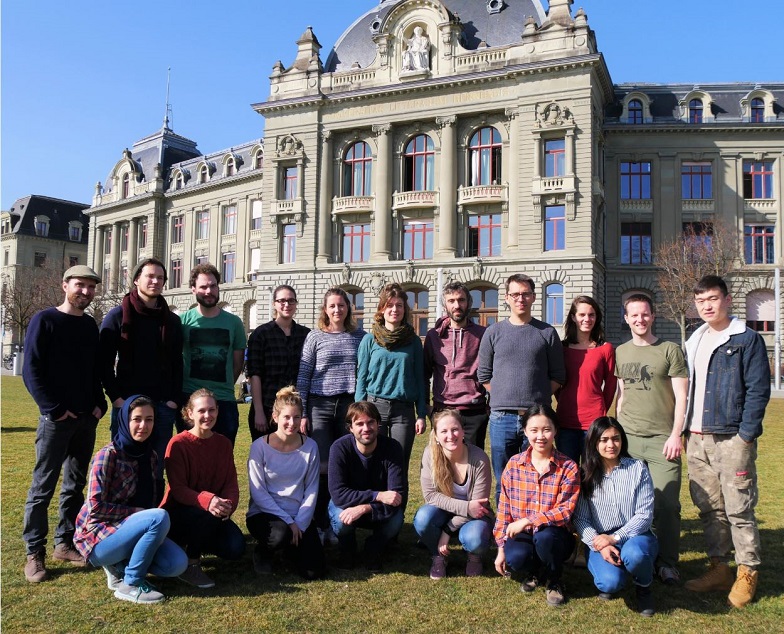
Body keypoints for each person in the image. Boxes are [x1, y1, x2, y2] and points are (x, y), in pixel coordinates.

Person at [683, 275, 771, 608]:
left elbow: (758, 390)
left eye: (713, 299)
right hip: (697, 438)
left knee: (739, 508)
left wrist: (746, 436)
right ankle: (719, 567)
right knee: (709, 508)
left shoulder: (746, 339)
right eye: (701, 300)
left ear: (727, 299)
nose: (707, 305)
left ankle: (747, 570)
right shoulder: (695, 339)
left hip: (732, 437)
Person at [22, 265, 109, 583]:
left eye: (90, 287)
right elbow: (31, 370)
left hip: (86, 420)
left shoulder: (89, 325)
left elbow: (94, 369)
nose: (85, 291)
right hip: (56, 421)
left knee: (74, 485)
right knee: (42, 488)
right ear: (65, 286)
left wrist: (99, 404)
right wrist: (54, 409)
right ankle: (35, 552)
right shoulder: (44, 320)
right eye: (79, 285)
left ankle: (65, 542)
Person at [73, 396, 188, 604]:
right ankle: (131, 583)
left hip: (132, 530)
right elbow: (95, 508)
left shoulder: (151, 456)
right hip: (98, 537)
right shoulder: (107, 455)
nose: (143, 426)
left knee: (177, 564)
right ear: (125, 421)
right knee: (157, 517)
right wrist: (137, 513)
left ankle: (121, 566)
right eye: (137, 419)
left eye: (149, 419)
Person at [615, 293, 688, 586]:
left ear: (653, 315)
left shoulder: (669, 350)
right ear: (626, 318)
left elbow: (682, 396)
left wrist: (676, 434)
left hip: (662, 440)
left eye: (644, 314)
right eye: (634, 315)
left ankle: (668, 563)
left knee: (667, 505)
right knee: (627, 504)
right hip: (629, 439)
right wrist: (617, 435)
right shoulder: (620, 351)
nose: (640, 319)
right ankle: (630, 555)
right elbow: (621, 395)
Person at [99, 257, 183, 500]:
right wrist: (116, 398)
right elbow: (103, 363)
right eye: (150, 276)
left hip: (162, 406)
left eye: (160, 278)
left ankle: (153, 518)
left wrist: (173, 400)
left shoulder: (171, 320)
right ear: (136, 280)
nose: (155, 281)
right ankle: (121, 519)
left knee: (156, 469)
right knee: (122, 466)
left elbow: (178, 363)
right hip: (127, 405)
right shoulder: (117, 316)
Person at [478, 274, 566, 504]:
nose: (521, 299)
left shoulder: (546, 332)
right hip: (501, 417)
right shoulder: (493, 332)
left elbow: (558, 375)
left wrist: (538, 399)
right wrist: (501, 395)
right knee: (504, 478)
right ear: (507, 297)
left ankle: (531, 526)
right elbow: (483, 374)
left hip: (536, 421)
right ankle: (504, 531)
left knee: (536, 476)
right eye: (515, 294)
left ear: (533, 297)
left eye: (525, 294)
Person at [296, 287, 365, 540]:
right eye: (332, 306)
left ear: (348, 308)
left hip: (348, 407)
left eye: (342, 305)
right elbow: (303, 376)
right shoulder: (315, 337)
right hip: (320, 406)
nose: (337, 310)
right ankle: (321, 521)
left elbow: (364, 373)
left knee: (345, 463)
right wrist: (303, 411)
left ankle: (340, 521)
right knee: (323, 467)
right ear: (325, 309)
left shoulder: (359, 336)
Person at [493, 404, 579, 607]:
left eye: (546, 429)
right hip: (525, 534)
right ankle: (535, 571)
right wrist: (500, 547)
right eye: (534, 430)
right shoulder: (514, 464)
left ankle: (554, 579)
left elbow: (565, 511)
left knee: (545, 538)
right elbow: (504, 508)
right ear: (525, 432)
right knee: (516, 559)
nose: (540, 436)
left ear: (555, 431)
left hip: (555, 535)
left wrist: (528, 520)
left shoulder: (568, 467)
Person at [574, 417, 657, 617]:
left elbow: (644, 515)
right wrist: (600, 544)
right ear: (594, 442)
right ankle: (617, 574)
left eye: (616, 439)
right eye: (604, 440)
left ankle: (643, 586)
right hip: (601, 539)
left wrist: (615, 538)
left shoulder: (637, 468)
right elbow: (581, 519)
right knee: (609, 583)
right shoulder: (585, 474)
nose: (611, 445)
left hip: (637, 536)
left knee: (635, 555)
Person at [161, 389, 244, 589]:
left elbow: (231, 482)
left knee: (235, 548)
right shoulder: (178, 443)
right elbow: (179, 489)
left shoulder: (223, 443)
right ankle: (191, 563)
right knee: (207, 514)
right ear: (190, 413)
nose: (207, 415)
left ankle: (194, 545)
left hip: (213, 513)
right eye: (201, 411)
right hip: (180, 513)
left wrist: (228, 505)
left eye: (212, 410)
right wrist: (209, 501)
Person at [247, 386, 325, 579]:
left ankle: (290, 551)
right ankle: (263, 552)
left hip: (298, 515)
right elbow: (259, 494)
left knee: (314, 571)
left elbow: (312, 490)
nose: (292, 423)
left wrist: (300, 522)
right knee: (280, 535)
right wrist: (289, 522)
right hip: (265, 514)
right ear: (275, 417)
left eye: (297, 417)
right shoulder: (259, 447)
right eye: (286, 418)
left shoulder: (311, 446)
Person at [356, 283, 426, 480]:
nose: (394, 309)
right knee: (373, 463)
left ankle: (397, 510)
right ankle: (375, 509)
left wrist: (421, 414)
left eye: (399, 305)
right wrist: (360, 409)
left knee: (398, 465)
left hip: (403, 412)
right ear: (382, 309)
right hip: (374, 407)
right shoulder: (370, 340)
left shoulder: (412, 341)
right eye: (390, 305)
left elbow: (420, 379)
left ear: (405, 310)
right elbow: (361, 377)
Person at [413, 409, 493, 580]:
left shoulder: (479, 458)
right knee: (423, 518)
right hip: (444, 511)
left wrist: (447, 531)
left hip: (474, 517)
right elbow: (431, 496)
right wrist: (466, 507)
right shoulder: (430, 454)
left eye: (455, 429)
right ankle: (438, 556)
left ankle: (474, 555)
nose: (450, 435)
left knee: (475, 538)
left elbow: (478, 508)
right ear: (435, 435)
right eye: (444, 431)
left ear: (463, 431)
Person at [328, 401, 405, 571]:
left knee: (396, 519)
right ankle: (347, 549)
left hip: (374, 508)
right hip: (347, 505)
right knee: (341, 520)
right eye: (359, 424)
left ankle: (374, 548)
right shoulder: (339, 448)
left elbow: (396, 496)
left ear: (378, 423)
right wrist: (377, 495)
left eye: (370, 422)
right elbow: (338, 494)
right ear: (350, 427)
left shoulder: (393, 448)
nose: (366, 428)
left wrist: (364, 508)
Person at [179, 263, 247, 445]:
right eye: (203, 286)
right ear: (193, 289)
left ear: (218, 287)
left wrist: (223, 385)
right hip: (189, 400)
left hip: (224, 400)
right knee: (189, 457)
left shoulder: (234, 323)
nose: (209, 291)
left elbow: (238, 363)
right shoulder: (182, 322)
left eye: (213, 285)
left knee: (222, 458)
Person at [423, 281, 488, 449]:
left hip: (474, 411)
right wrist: (426, 407)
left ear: (469, 303)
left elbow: (493, 371)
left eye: (461, 300)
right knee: (443, 464)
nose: (457, 305)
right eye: (451, 301)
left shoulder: (483, 335)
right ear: (445, 305)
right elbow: (424, 372)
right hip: (443, 409)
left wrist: (490, 406)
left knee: (472, 464)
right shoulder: (434, 336)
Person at [555, 295, 617, 465]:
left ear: (597, 318)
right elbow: (557, 383)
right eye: (582, 315)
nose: (587, 319)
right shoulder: (562, 348)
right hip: (566, 421)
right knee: (568, 473)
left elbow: (611, 385)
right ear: (573, 317)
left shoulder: (605, 349)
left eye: (591, 315)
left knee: (592, 474)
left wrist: (599, 409)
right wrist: (565, 401)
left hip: (594, 422)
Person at [246, 284, 309, 442]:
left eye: (291, 301)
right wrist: (259, 411)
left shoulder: (306, 335)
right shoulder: (260, 334)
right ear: (274, 303)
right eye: (282, 301)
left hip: (295, 411)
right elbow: (255, 375)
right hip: (267, 407)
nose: (286, 305)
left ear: (296, 304)